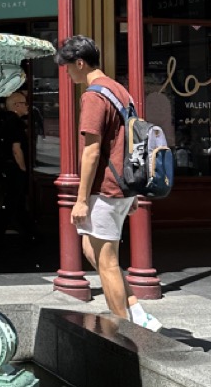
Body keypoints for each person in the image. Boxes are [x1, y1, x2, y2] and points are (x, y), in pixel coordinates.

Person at [55, 36, 161, 331]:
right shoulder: (120, 90)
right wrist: (133, 191)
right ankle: (137, 313)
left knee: (107, 262)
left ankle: (125, 333)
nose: (66, 74)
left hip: (106, 188)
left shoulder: (93, 95)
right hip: (123, 185)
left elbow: (91, 151)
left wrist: (80, 198)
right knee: (91, 247)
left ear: (80, 63)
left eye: (67, 68)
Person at [0, 89, 35, 242]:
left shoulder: (7, 121)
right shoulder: (15, 122)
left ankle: (25, 230)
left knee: (15, 201)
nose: (27, 106)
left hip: (8, 167)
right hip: (14, 168)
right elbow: (16, 148)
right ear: (16, 105)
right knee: (14, 200)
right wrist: (23, 168)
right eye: (24, 103)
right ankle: (0, 232)